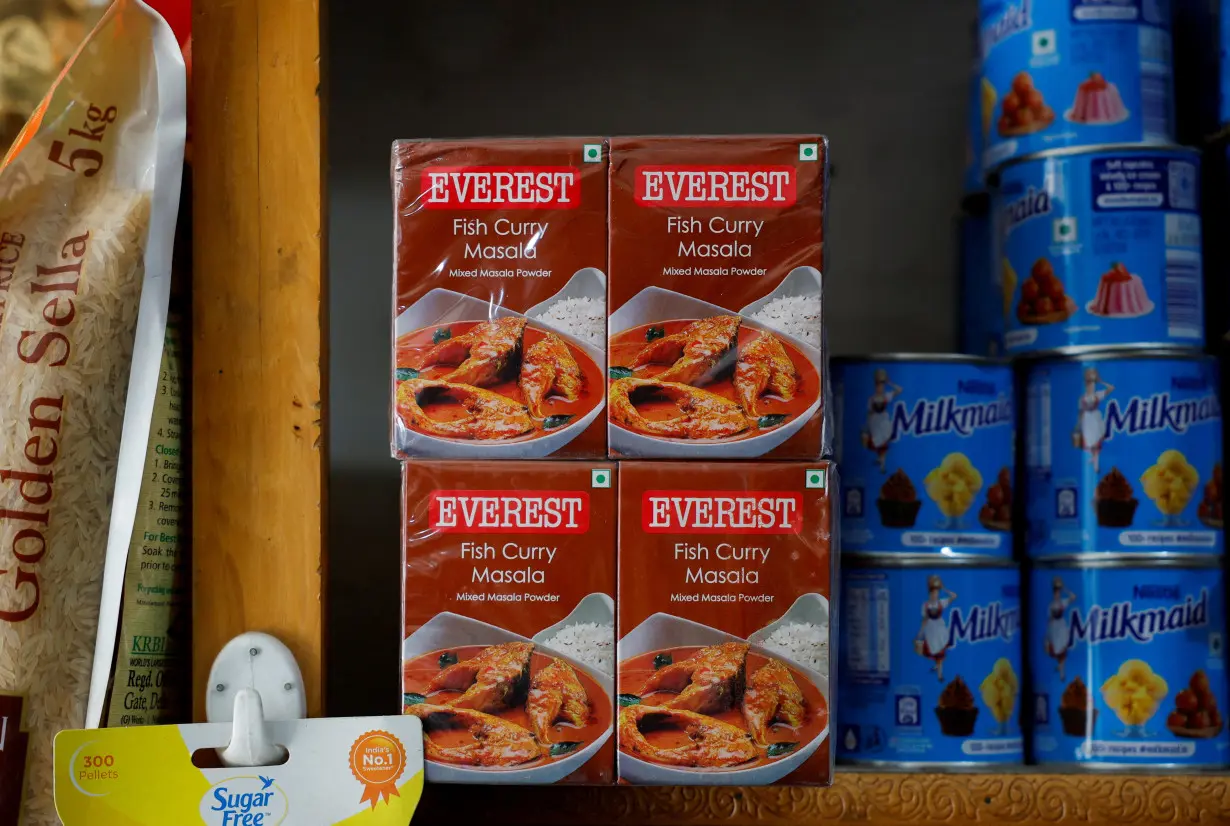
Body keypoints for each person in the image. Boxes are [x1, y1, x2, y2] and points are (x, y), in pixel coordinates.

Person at [915, 574, 957, 681]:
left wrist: (944, 588)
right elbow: (924, 620)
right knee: (934, 651)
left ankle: (940, 674)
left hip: (939, 630)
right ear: (930, 594)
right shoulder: (925, 605)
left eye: (937, 593)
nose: (935, 595)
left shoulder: (941, 602)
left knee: (940, 653)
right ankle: (937, 666)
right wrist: (920, 633)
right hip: (930, 631)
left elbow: (954, 596)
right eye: (933, 593)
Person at [863, 368, 902, 473]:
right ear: (875, 387)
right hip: (875, 421)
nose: (880, 388)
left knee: (884, 442)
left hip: (884, 421)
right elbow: (869, 412)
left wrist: (889, 382)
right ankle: (880, 459)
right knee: (875, 442)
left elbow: (899, 390)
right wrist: (867, 427)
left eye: (882, 386)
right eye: (878, 386)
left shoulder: (886, 396)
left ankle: (882, 465)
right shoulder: (871, 399)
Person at [1075, 367, 1113, 473]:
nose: (1091, 386)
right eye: (1089, 384)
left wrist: (1101, 381)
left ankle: (1096, 464)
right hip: (1087, 419)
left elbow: (1111, 388)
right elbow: (1081, 411)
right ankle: (1093, 459)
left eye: (1093, 383)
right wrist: (1078, 425)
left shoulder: (1098, 395)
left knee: (1096, 442)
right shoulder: (1082, 398)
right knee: (1090, 442)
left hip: (1095, 418)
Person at [1045, 576, 1077, 681]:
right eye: (1056, 592)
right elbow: (1049, 619)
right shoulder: (1051, 605)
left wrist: (1065, 589)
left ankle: (1062, 672)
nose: (1057, 595)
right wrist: (1048, 636)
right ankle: (1061, 670)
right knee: (1058, 651)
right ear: (1053, 594)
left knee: (1063, 649)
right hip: (1055, 627)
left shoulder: (1063, 602)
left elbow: (1073, 597)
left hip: (1062, 626)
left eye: (1059, 592)